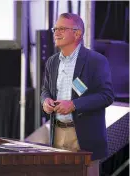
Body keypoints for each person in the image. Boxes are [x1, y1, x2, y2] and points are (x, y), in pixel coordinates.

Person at [41, 13, 114, 176]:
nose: (56, 33)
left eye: (62, 29)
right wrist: (45, 101)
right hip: (57, 134)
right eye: (55, 29)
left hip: (84, 137)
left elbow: (107, 95)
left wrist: (74, 105)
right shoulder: (52, 62)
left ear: (77, 33)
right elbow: (45, 89)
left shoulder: (96, 60)